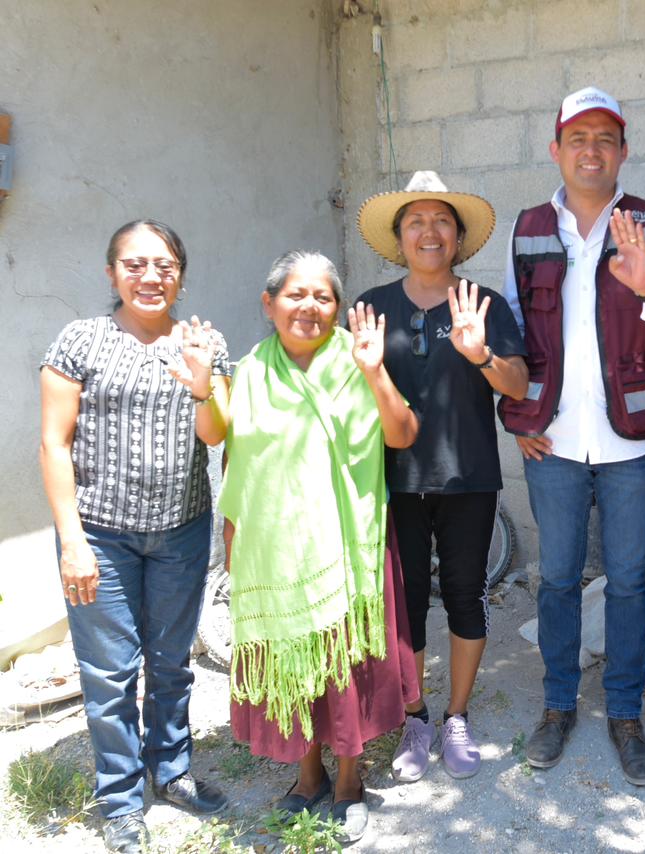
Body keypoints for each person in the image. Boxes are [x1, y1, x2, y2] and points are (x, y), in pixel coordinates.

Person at [500, 86, 645, 786]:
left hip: (631, 444)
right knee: (556, 578)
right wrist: (520, 417)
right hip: (552, 441)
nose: (591, 150)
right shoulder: (528, 228)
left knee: (629, 582)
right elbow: (510, 333)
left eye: (605, 139)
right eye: (578, 138)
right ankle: (557, 706)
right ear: (556, 150)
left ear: (623, 151)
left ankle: (624, 713)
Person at [206, 251, 421, 845]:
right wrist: (233, 532)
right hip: (275, 546)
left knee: (344, 664)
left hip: (347, 542)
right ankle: (308, 775)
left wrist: (375, 372)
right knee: (292, 659)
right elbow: (232, 454)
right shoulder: (249, 372)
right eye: (295, 294)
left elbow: (403, 434)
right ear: (269, 303)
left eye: (322, 297)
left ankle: (349, 781)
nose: (309, 306)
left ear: (337, 307)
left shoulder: (357, 361)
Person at [39, 220, 231, 854]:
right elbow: (54, 444)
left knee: (172, 664)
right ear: (112, 272)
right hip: (101, 535)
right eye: (135, 264)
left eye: (165, 265)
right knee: (110, 674)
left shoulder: (204, 341)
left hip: (181, 531)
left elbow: (216, 435)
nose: (151, 277)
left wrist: (202, 382)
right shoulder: (81, 340)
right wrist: (72, 540)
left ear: (181, 274)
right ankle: (120, 800)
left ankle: (171, 771)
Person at [355, 172, 528, 781]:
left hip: (468, 478)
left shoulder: (484, 303)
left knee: (464, 595)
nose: (429, 232)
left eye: (441, 222)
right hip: (393, 481)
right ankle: (415, 717)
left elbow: (517, 384)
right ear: (399, 237)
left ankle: (456, 715)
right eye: (416, 222)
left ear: (457, 236)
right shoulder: (371, 306)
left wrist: (481, 353)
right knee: (403, 606)